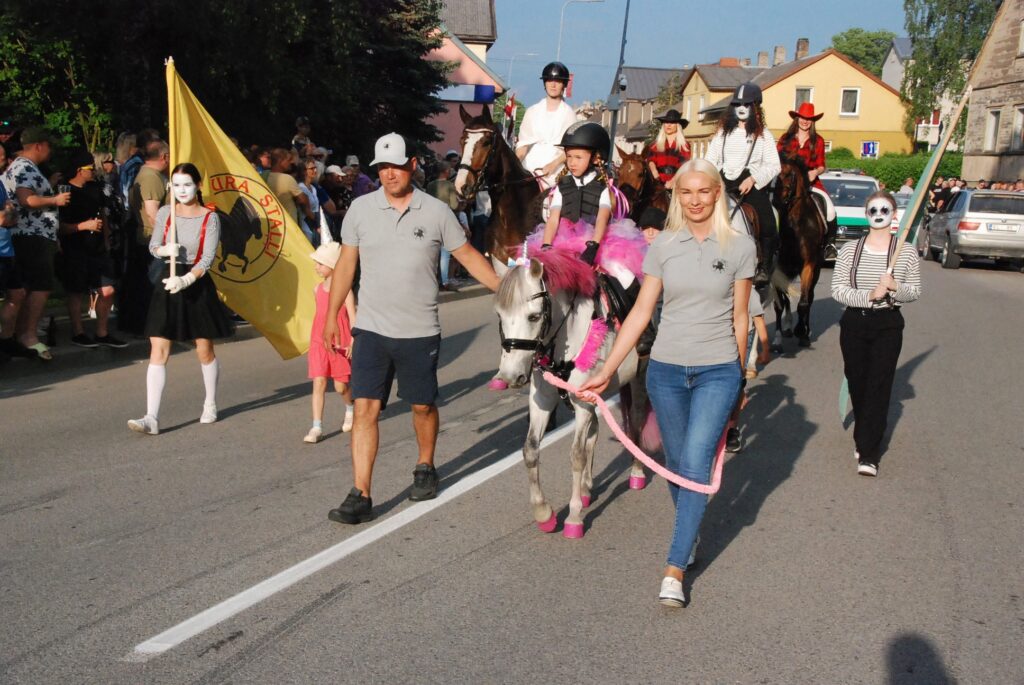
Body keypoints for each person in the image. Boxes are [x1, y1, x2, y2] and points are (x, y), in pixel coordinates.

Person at [577, 158, 755, 608]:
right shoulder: (662, 247)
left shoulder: (739, 247)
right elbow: (639, 313)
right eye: (686, 192)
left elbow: (740, 318)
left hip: (717, 369)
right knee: (677, 464)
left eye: (703, 191)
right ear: (677, 196)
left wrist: (740, 379)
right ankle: (690, 531)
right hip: (667, 372)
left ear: (717, 194)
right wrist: (606, 370)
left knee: (694, 463)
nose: (695, 200)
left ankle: (674, 567)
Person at [322, 132, 501, 524]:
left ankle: (425, 465)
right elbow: (346, 265)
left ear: (412, 166)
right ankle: (361, 493)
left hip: (419, 330)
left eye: (396, 166)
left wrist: (506, 291)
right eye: (382, 167)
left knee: (422, 405)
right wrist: (331, 317)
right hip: (370, 329)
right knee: (365, 407)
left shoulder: (436, 212)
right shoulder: (360, 210)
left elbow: (467, 256)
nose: (389, 174)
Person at [127, 163, 233, 435]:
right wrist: (163, 249)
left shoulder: (210, 218)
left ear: (198, 185)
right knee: (158, 348)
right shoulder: (165, 212)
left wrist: (186, 279)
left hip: (195, 283)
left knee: (204, 349)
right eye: (176, 185)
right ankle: (151, 416)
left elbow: (207, 259)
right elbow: (152, 247)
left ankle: (210, 402)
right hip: (168, 279)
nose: (181, 190)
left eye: (187, 184)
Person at [831, 191, 921, 477]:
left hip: (888, 325)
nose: (879, 213)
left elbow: (915, 292)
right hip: (855, 323)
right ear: (866, 214)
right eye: (873, 209)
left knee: (879, 385)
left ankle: (869, 453)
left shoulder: (905, 251)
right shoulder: (849, 250)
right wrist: (870, 295)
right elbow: (837, 290)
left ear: (894, 214)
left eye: (885, 209)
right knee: (858, 383)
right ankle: (864, 431)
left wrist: (895, 287)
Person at [537, 121, 647, 321]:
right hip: (564, 242)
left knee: (625, 276)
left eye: (578, 157)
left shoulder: (602, 186)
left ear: (596, 158)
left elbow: (603, 217)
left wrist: (594, 245)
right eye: (569, 156)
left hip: (597, 241)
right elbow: (553, 219)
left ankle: (642, 326)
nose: (571, 162)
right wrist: (546, 245)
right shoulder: (563, 186)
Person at [0, 127, 71, 360]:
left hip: (37, 236)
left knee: (26, 289)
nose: (49, 151)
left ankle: (18, 335)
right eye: (48, 146)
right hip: (32, 237)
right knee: (40, 286)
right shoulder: (24, 167)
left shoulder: (24, 168)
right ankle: (28, 335)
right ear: (39, 145)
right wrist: (55, 199)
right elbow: (26, 199)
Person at [705, 81, 780, 287]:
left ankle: (763, 267)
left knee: (768, 221)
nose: (741, 108)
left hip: (750, 184)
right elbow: (711, 160)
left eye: (747, 104)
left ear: (755, 107)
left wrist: (754, 178)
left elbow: (774, 165)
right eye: (738, 104)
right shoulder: (722, 134)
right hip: (723, 182)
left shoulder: (764, 135)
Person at [57, 150, 127, 349]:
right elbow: (58, 224)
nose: (94, 171)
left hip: (97, 248)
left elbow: (103, 215)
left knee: (107, 289)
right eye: (90, 168)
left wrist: (105, 239)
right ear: (79, 170)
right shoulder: (65, 191)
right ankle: (78, 332)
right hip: (74, 247)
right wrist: (82, 226)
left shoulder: (95, 188)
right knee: (76, 291)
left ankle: (102, 332)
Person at [304, 241, 356, 443]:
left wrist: (352, 340)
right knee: (319, 381)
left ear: (333, 265)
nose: (316, 267)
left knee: (341, 387)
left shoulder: (346, 291)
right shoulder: (317, 289)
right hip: (319, 341)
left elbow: (352, 316)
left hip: (340, 342)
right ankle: (316, 426)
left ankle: (350, 408)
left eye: (320, 263)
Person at [776, 102, 838, 259]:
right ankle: (769, 242)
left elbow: (822, 165)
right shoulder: (786, 139)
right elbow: (777, 160)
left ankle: (830, 245)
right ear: (797, 118)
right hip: (787, 184)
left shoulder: (818, 140)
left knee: (830, 209)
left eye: (809, 118)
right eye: (803, 117)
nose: (805, 121)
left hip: (811, 183)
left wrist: (814, 172)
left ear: (813, 121)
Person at [121, 139, 169, 335]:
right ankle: (151, 326)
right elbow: (153, 212)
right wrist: (166, 238)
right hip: (153, 239)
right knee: (154, 285)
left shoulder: (150, 174)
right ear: (164, 156)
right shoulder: (150, 177)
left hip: (151, 238)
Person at [516, 61, 579, 188]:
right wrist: (515, 165)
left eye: (558, 81)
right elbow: (523, 145)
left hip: (555, 170)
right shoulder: (532, 111)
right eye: (550, 81)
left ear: (564, 85)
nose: (553, 85)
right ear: (545, 83)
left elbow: (569, 149)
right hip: (529, 167)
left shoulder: (569, 114)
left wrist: (553, 165)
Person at [267, 147, 310, 233]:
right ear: (280, 161)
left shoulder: (262, 176)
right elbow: (303, 200)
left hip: (269, 225)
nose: (292, 162)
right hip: (288, 227)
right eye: (289, 159)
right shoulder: (288, 179)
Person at [645, 109, 691, 185]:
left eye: (672, 123)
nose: (668, 125)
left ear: (678, 126)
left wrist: (673, 181)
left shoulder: (684, 145)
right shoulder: (654, 145)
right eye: (666, 122)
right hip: (657, 181)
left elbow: (684, 165)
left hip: (677, 181)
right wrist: (654, 171)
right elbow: (650, 160)